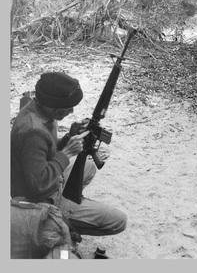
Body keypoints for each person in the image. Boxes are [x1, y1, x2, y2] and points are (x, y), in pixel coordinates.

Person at [11, 72, 127, 237]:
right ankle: (58, 223)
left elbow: (45, 152)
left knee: (89, 167)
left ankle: (68, 209)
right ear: (52, 104)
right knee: (119, 221)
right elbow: (38, 184)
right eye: (67, 106)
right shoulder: (33, 131)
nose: (71, 111)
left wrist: (68, 137)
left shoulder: (37, 110)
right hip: (39, 199)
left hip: (46, 181)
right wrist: (66, 153)